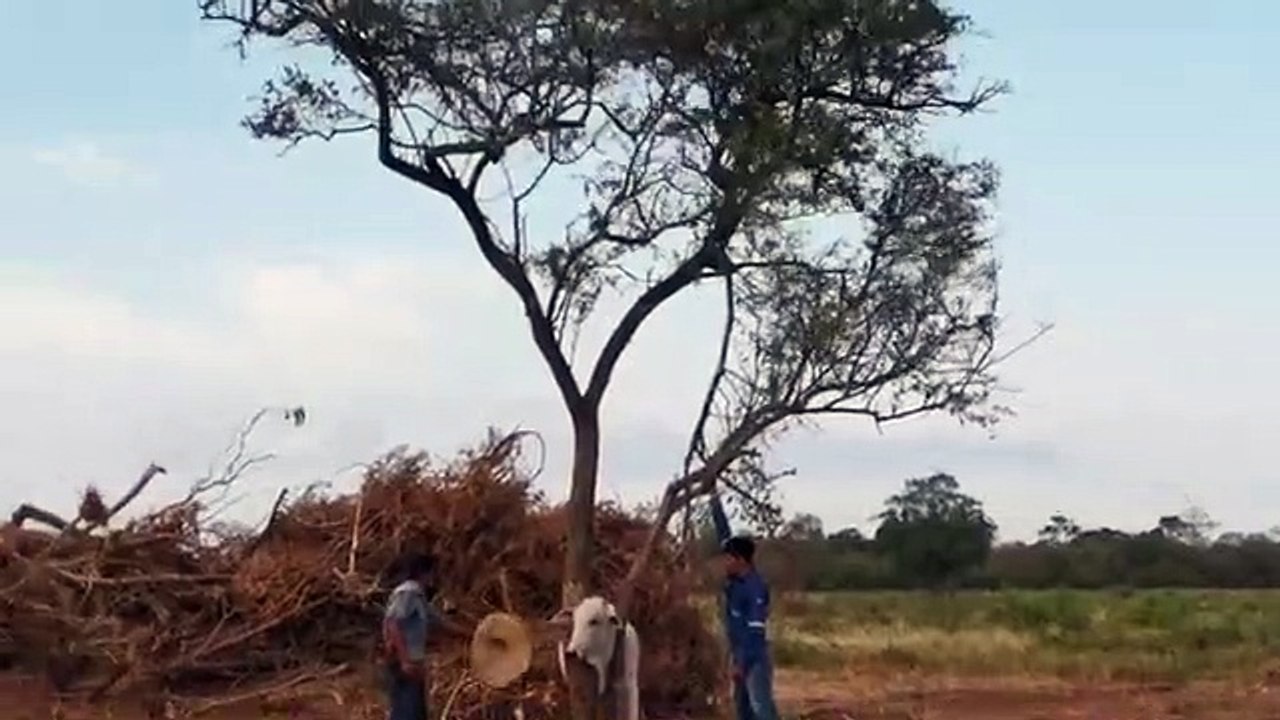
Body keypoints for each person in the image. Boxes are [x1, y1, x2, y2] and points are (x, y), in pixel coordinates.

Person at [709, 490, 780, 720]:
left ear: (740, 560)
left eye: (728, 558)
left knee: (761, 708)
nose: (724, 562)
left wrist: (742, 663)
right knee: (743, 711)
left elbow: (755, 631)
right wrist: (714, 499)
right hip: (739, 654)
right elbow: (724, 533)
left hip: (754, 658)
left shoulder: (754, 588)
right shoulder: (735, 583)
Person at [381, 551, 466, 720]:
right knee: (406, 712)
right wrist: (405, 660)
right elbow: (392, 623)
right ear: (425, 573)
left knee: (416, 712)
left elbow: (440, 622)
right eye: (433, 572)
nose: (434, 578)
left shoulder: (419, 597)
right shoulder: (408, 592)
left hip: (413, 662)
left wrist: (474, 635)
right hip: (404, 662)